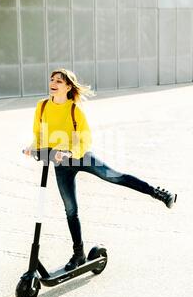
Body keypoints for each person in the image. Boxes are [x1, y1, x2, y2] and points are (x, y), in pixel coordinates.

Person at [23, 69, 177, 271]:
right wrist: (32, 147)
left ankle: (158, 193)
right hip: (60, 163)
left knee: (115, 177)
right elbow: (38, 133)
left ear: (68, 87)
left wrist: (70, 152)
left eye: (58, 81)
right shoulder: (42, 106)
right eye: (52, 80)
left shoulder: (74, 110)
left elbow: (85, 139)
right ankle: (78, 254)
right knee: (71, 211)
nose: (53, 83)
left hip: (80, 157)